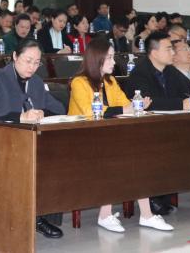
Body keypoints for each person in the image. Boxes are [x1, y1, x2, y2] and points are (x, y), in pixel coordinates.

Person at [68, 39, 172, 232]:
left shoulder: (111, 81)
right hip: (81, 139)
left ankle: (146, 215)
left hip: (107, 136)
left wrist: (138, 106)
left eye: (113, 57)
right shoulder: (79, 82)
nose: (114, 62)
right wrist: (126, 109)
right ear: (97, 59)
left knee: (138, 155)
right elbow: (91, 112)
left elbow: (125, 104)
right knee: (115, 156)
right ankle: (105, 215)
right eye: (109, 57)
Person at [0, 40, 65, 239]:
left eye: (37, 62)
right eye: (28, 61)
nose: (32, 67)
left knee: (53, 161)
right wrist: (20, 116)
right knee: (17, 164)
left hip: (26, 143)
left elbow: (59, 108)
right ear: (15, 56)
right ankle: (4, 222)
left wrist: (43, 112)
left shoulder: (36, 82)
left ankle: (39, 216)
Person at [127, 32, 190, 111]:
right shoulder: (139, 73)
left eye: (172, 49)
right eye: (168, 49)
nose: (173, 53)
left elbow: (185, 91)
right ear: (155, 53)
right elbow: (146, 103)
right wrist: (181, 104)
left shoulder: (171, 70)